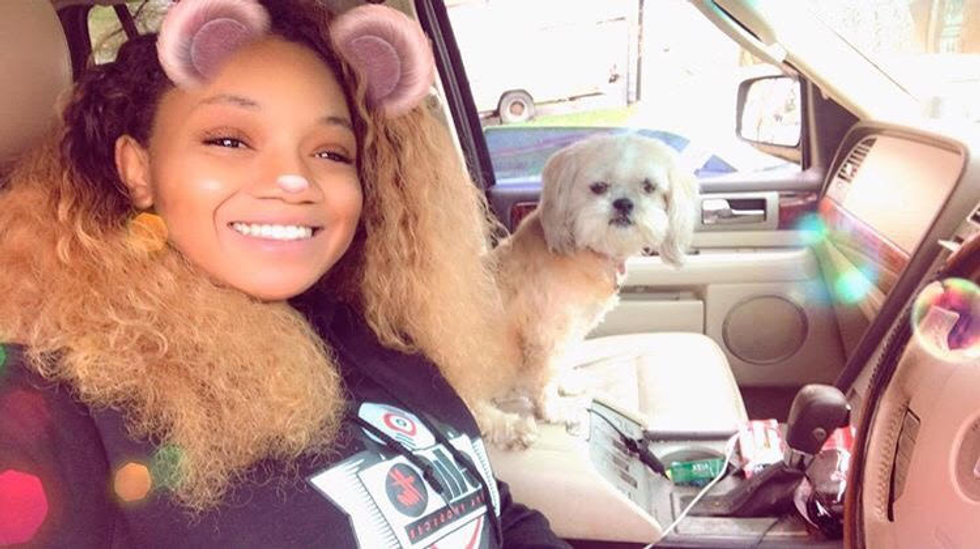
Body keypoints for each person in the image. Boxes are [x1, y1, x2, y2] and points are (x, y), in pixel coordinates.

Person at [0, 0, 567, 546]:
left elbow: (493, 509)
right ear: (138, 169)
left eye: (331, 152)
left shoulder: (366, 325)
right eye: (229, 140)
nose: (294, 181)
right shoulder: (47, 402)